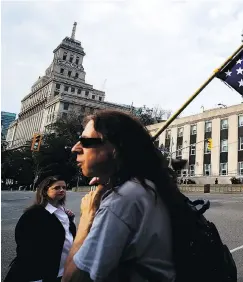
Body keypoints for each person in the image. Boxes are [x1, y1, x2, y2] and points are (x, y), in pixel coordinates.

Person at [62, 110, 176, 282]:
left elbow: (71, 278)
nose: (75, 148)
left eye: (86, 141)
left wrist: (87, 217)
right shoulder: (147, 187)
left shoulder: (122, 200)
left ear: (115, 149)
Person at [5, 175, 76, 282]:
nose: (62, 190)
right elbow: (24, 244)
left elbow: (68, 236)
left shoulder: (65, 212)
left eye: (64, 188)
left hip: (62, 271)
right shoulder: (33, 214)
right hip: (40, 274)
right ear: (45, 191)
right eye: (57, 188)